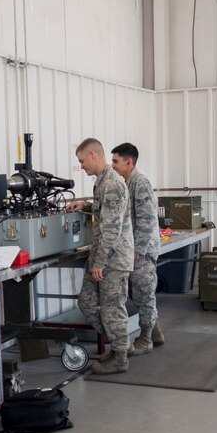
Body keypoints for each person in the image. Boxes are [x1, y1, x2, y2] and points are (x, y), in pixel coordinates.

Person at [66, 138, 134, 374]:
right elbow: (104, 210)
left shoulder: (112, 183)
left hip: (112, 260)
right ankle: (118, 345)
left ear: (93, 155)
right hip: (102, 257)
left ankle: (120, 356)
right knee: (86, 302)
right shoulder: (102, 182)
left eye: (82, 161)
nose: (81, 166)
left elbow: (111, 228)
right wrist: (83, 205)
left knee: (112, 308)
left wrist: (100, 263)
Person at [110, 142, 164, 355]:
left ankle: (145, 339)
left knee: (144, 294)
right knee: (138, 293)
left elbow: (147, 219)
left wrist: (138, 251)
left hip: (142, 250)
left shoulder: (139, 183)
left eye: (116, 161)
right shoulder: (126, 183)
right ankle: (155, 332)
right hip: (133, 249)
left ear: (129, 162)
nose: (112, 165)